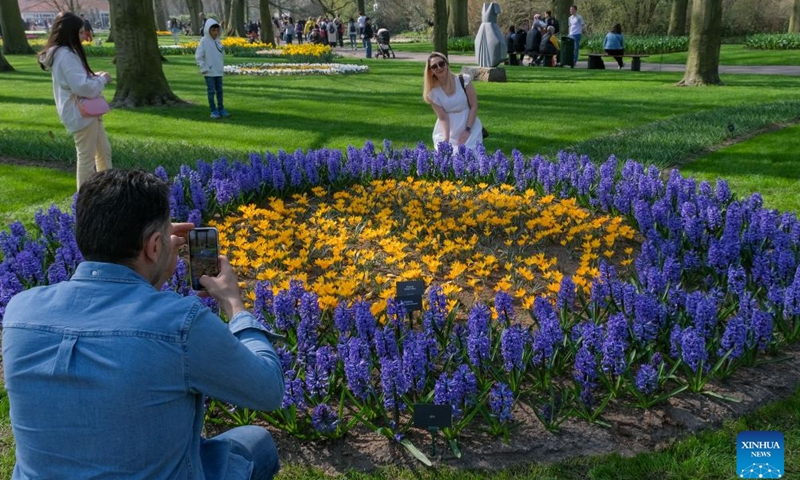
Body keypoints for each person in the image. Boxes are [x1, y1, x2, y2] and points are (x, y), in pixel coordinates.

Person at [2, 169, 285, 479]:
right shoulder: (181, 325)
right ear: (153, 246)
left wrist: (153, 270)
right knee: (256, 443)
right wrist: (234, 304)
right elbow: (268, 390)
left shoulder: (19, 313)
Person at [38, 11, 112, 190]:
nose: (83, 36)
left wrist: (95, 77)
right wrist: (102, 79)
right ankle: (85, 202)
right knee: (87, 159)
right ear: (69, 33)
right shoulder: (65, 55)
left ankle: (108, 192)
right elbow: (82, 87)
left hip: (85, 111)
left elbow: (79, 81)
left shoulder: (65, 53)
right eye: (79, 33)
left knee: (103, 152)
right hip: (80, 112)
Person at [423, 52, 484, 150]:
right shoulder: (433, 94)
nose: (439, 68)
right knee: (448, 157)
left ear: (447, 64)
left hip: (469, 124)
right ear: (431, 71)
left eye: (441, 64)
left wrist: (467, 130)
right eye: (434, 66)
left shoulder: (463, 80)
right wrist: (446, 139)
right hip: (448, 129)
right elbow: (443, 118)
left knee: (471, 155)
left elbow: (474, 106)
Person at [196, 19, 228, 119]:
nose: (215, 32)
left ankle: (221, 109)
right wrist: (203, 67)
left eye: (216, 30)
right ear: (208, 30)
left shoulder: (218, 42)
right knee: (211, 91)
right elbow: (198, 56)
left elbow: (221, 54)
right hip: (209, 71)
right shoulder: (204, 41)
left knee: (220, 91)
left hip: (218, 70)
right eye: (213, 30)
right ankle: (213, 110)